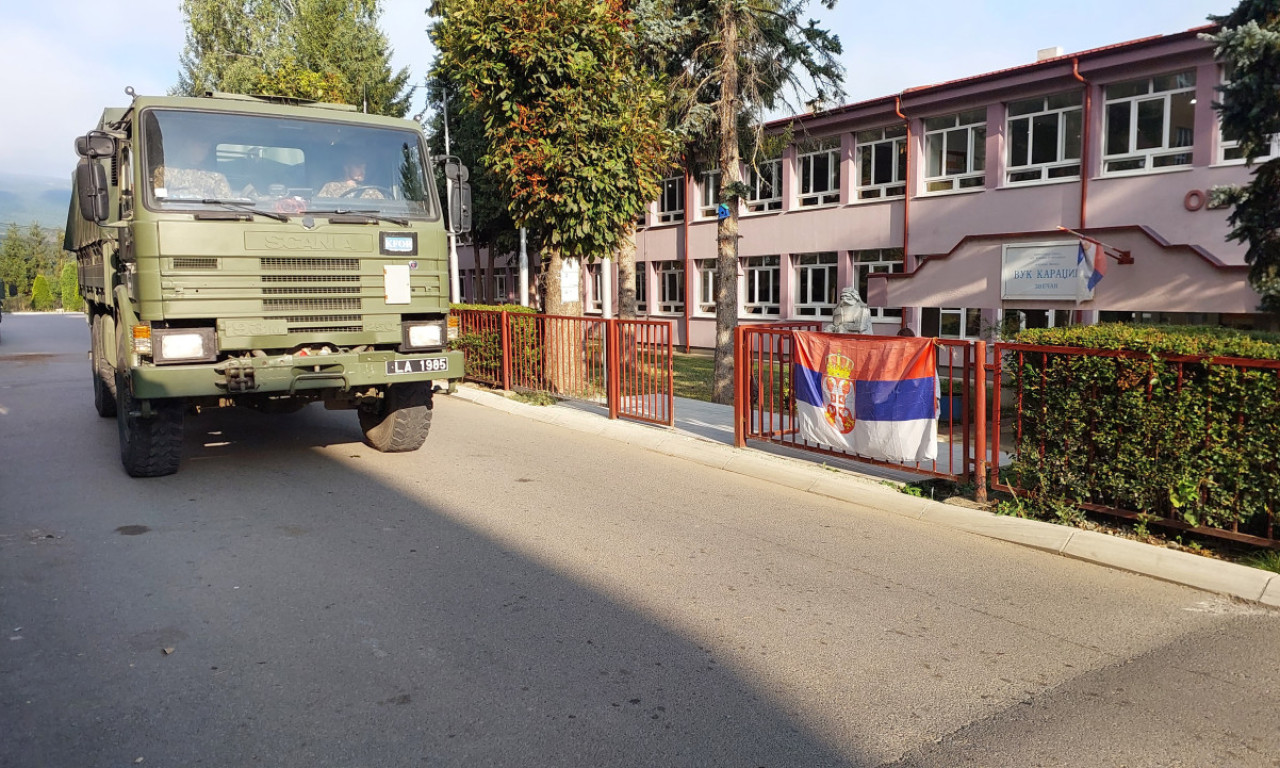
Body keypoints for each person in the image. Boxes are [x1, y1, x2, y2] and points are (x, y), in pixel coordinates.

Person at [151, 133, 234, 200]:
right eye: (201, 146)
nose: (204, 151)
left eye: (207, 148)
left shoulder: (216, 178)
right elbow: (157, 201)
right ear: (187, 144)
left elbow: (226, 205)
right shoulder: (164, 172)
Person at [318, 156, 384, 199]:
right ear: (346, 168)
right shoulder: (331, 187)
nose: (363, 171)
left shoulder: (371, 190)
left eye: (364, 168)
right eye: (358, 167)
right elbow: (320, 208)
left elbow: (384, 208)